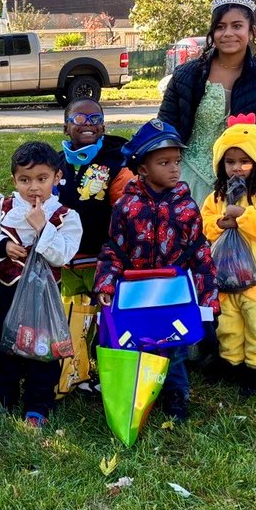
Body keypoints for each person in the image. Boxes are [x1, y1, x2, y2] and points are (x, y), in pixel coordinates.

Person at [94, 120, 219, 421]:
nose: (174, 169)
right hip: (137, 292)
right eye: (164, 162)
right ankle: (138, 392)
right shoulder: (126, 206)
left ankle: (177, 395)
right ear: (143, 169)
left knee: (172, 347)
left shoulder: (187, 207)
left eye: (177, 161)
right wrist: (106, 284)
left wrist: (209, 296)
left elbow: (199, 252)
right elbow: (114, 249)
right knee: (137, 341)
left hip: (172, 292)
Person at [0, 142, 83, 426]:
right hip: (9, 290)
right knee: (3, 341)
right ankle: (0, 397)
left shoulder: (66, 216)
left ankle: (38, 403)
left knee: (42, 347)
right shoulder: (4, 207)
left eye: (41, 179)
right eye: (25, 180)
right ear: (15, 180)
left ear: (57, 177)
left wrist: (42, 227)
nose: (33, 187)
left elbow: (64, 252)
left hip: (44, 297)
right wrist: (3, 245)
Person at [158, 0, 256, 205]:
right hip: (190, 173)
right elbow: (165, 129)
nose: (228, 33)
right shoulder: (186, 75)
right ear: (212, 32)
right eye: (220, 27)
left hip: (244, 171)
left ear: (251, 30)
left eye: (237, 26)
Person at [200, 116, 256, 394]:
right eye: (230, 161)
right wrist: (219, 223)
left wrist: (244, 216)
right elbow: (204, 223)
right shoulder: (216, 195)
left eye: (244, 161)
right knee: (228, 323)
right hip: (224, 275)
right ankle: (231, 362)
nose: (237, 168)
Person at [56, 98, 134, 298]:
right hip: (64, 261)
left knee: (103, 319)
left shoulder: (117, 164)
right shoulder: (54, 163)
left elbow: (126, 216)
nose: (88, 123)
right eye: (80, 118)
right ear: (66, 128)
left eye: (95, 118)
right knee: (72, 317)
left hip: (101, 262)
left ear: (103, 127)